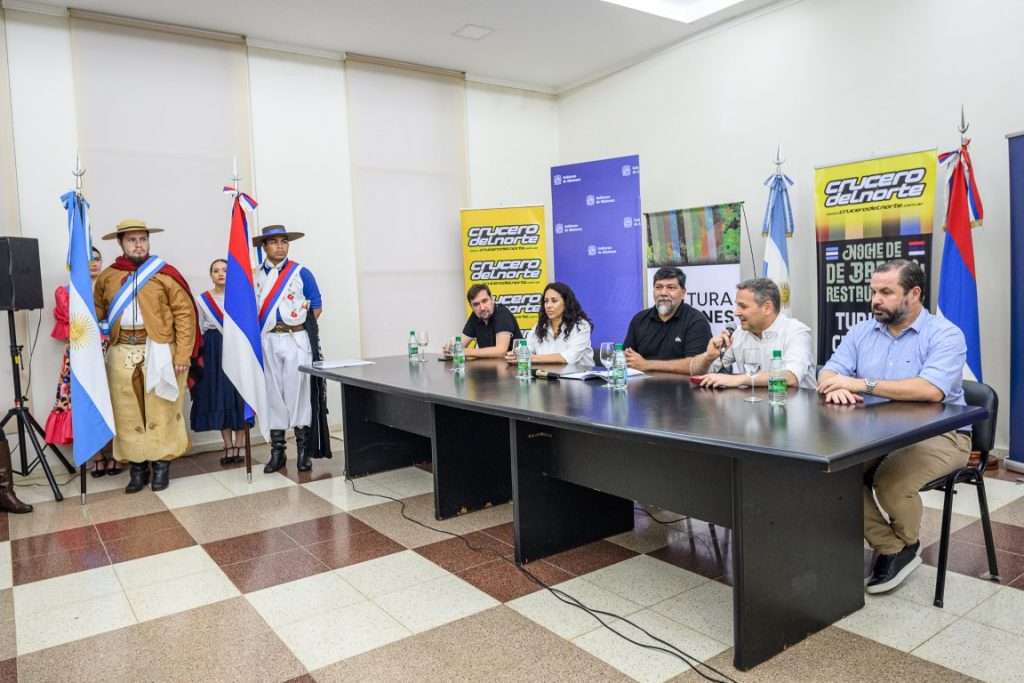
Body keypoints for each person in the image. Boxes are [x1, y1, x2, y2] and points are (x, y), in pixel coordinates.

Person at [818, 259, 971, 594]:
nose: (876, 299)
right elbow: (828, 372)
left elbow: (930, 390)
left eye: (886, 292)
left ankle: (901, 547)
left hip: (940, 433)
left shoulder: (945, 334)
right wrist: (838, 384)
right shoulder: (861, 331)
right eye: (874, 291)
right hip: (874, 432)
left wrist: (863, 384)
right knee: (833, 475)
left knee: (889, 481)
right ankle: (895, 547)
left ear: (913, 294)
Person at [94, 219, 201, 494]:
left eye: (142, 239)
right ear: (121, 243)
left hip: (161, 350)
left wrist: (183, 354)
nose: (138, 244)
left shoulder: (165, 274)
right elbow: (97, 313)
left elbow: (185, 316)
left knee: (162, 408)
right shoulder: (108, 277)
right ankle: (137, 469)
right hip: (121, 351)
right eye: (132, 240)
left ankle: (162, 467)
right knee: (127, 412)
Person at [253, 225, 323, 473]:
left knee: (299, 393)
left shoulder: (301, 273)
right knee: (273, 394)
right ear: (265, 247)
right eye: (274, 242)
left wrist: (297, 326)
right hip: (269, 339)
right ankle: (278, 452)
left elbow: (316, 304)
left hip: (296, 338)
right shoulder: (256, 276)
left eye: (284, 241)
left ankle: (303, 452)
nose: (280, 246)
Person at [44, 246, 119, 477]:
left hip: (111, 350)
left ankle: (116, 454)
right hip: (81, 354)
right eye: (88, 260)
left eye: (97, 259)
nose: (94, 263)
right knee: (85, 402)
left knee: (114, 401)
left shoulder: (113, 289)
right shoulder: (67, 292)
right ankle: (96, 456)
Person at [690, 277, 815, 390]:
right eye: (737, 306)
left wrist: (740, 378)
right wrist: (708, 357)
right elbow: (697, 373)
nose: (736, 313)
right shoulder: (738, 334)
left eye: (743, 307)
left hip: (793, 408)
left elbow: (791, 377)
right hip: (753, 408)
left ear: (767, 308)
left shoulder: (796, 332)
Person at [190, 259, 248, 465]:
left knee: (237, 393)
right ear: (211, 275)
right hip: (214, 346)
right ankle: (228, 445)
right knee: (219, 393)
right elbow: (199, 327)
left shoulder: (240, 297)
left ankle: (240, 444)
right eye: (216, 270)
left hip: (236, 346)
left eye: (225, 270)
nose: (221, 273)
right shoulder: (202, 299)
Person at [622, 266, 712, 374]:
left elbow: (696, 366)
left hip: (683, 388)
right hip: (643, 388)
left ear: (683, 293)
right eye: (658, 287)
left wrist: (647, 364)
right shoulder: (639, 319)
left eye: (671, 287)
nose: (663, 293)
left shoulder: (696, 321)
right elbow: (627, 358)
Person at [504, 282, 594, 368]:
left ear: (566, 303)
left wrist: (529, 358)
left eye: (554, 301)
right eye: (546, 301)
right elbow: (526, 348)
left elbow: (570, 356)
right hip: (548, 377)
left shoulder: (581, 326)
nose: (548, 306)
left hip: (579, 380)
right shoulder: (539, 327)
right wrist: (515, 354)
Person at [445, 284, 523, 359]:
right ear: (471, 306)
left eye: (485, 301)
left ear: (492, 299)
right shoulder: (475, 316)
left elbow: (501, 351)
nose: (482, 308)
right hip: (488, 368)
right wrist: (450, 349)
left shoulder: (502, 313)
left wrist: (466, 352)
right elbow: (460, 345)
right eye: (476, 304)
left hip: (513, 369)